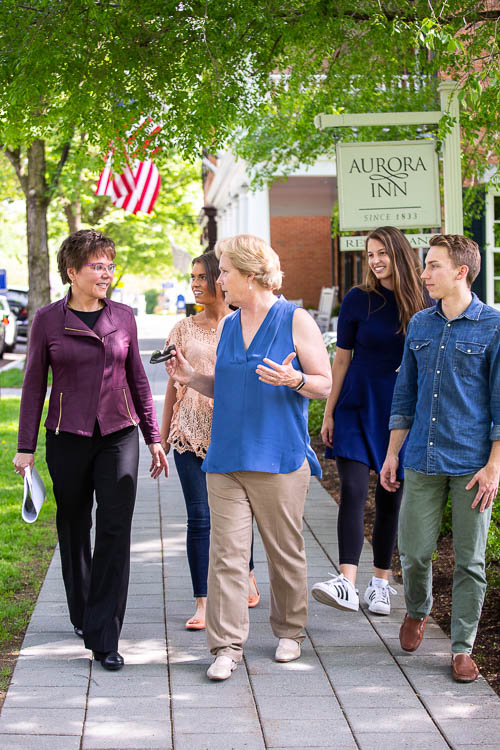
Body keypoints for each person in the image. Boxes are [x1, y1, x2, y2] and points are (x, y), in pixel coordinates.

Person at [166, 233, 331, 681]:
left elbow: (325, 383)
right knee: (227, 555)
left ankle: (290, 632)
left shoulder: (295, 320)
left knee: (283, 552)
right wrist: (190, 377)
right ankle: (226, 645)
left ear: (251, 274)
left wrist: (293, 379)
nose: (219, 280)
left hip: (278, 457)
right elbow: (228, 387)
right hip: (225, 458)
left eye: (224, 272)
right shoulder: (230, 325)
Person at [13, 229, 168, 671]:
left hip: (119, 433)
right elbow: (32, 385)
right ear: (72, 272)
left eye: (109, 265)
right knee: (74, 526)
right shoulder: (47, 319)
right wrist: (25, 447)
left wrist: (152, 437)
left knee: (115, 531)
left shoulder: (124, 315)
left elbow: (138, 377)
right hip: (67, 436)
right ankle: (82, 611)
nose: (106, 273)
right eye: (97, 266)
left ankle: (105, 635)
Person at [380, 234, 499, 683]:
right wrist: (393, 454)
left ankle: (463, 648)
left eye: (433, 266)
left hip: (472, 465)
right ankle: (417, 609)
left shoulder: (493, 325)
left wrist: (494, 465)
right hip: (422, 459)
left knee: (469, 561)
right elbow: (404, 394)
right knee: (412, 553)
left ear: (461, 272)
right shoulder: (420, 325)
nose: (424, 274)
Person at [312, 227, 429, 616]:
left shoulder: (425, 302)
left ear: (400, 254)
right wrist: (329, 410)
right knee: (354, 489)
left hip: (398, 413)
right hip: (356, 405)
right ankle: (346, 580)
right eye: (370, 254)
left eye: (383, 253)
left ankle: (380, 582)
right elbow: (341, 358)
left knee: (390, 495)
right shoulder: (358, 300)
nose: (376, 261)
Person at [160, 251, 259, 631]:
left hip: (234, 431)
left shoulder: (244, 324)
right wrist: (164, 435)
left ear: (222, 279)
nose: (195, 284)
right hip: (189, 432)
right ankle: (203, 600)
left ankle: (245, 570)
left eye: (202, 277)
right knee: (200, 517)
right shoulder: (182, 329)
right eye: (193, 276)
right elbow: (173, 384)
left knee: (237, 513)